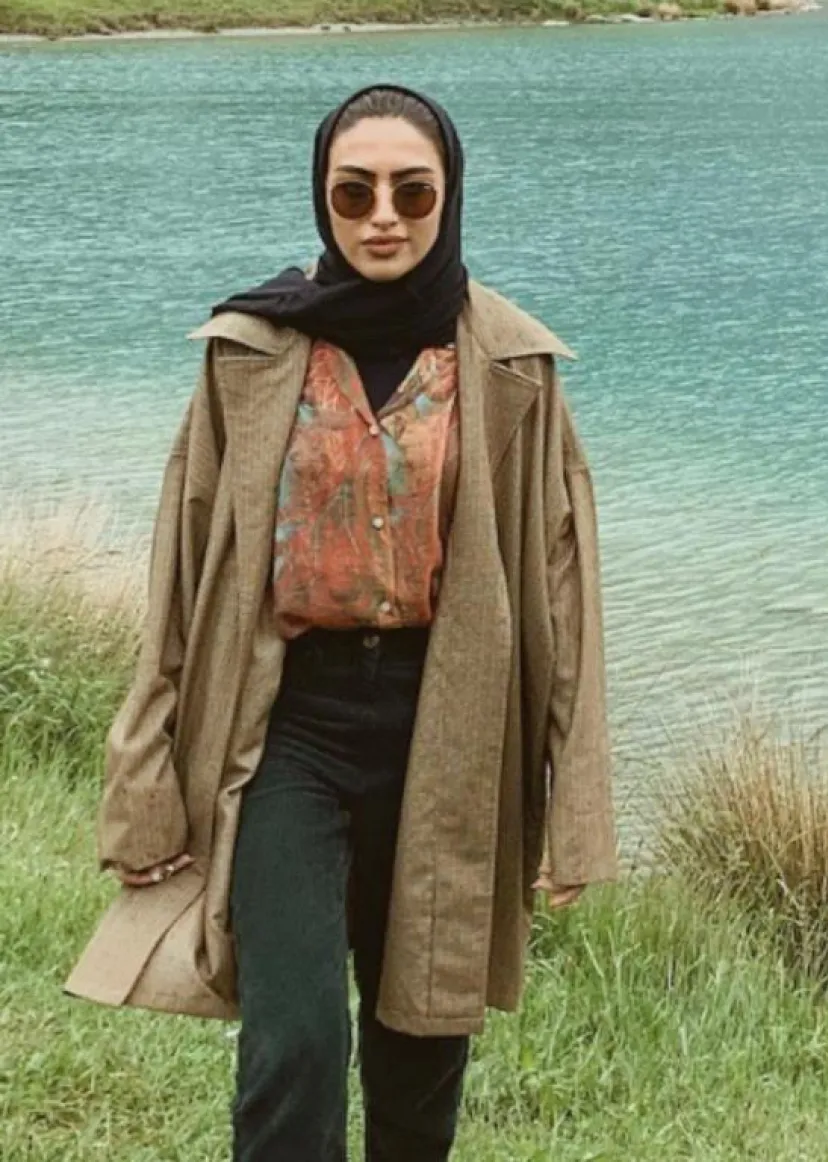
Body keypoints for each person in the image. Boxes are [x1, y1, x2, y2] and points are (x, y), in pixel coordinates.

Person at [63, 82, 620, 1162]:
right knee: (297, 1042)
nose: (385, 217)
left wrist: (578, 809)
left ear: (451, 196)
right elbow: (181, 572)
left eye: (414, 192)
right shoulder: (250, 350)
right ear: (321, 197)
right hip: (293, 729)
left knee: (421, 1044)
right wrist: (142, 785)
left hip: (451, 731)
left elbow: (566, 593)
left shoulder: (512, 367)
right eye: (355, 191)